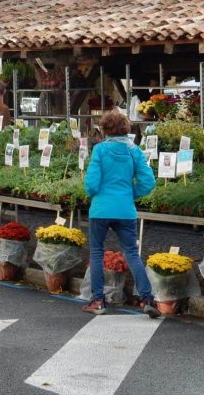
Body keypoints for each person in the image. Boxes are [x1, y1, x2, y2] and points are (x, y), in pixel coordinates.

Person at [82, 112, 159, 317]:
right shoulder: (135, 151)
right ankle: (147, 299)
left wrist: (93, 194)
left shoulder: (99, 150)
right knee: (132, 254)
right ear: (126, 129)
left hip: (101, 208)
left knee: (97, 252)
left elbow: (91, 183)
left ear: (105, 129)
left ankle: (98, 300)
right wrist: (130, 193)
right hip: (126, 209)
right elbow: (148, 181)